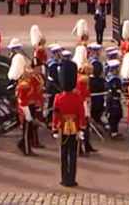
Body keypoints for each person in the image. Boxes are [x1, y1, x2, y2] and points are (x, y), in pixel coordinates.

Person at [53, 58, 84, 187]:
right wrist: (81, 128)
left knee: (64, 155)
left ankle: (64, 178)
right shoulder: (77, 97)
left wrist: (55, 128)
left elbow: (56, 114)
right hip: (75, 127)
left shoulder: (58, 98)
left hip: (62, 127)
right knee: (73, 154)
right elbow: (81, 113)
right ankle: (72, 179)